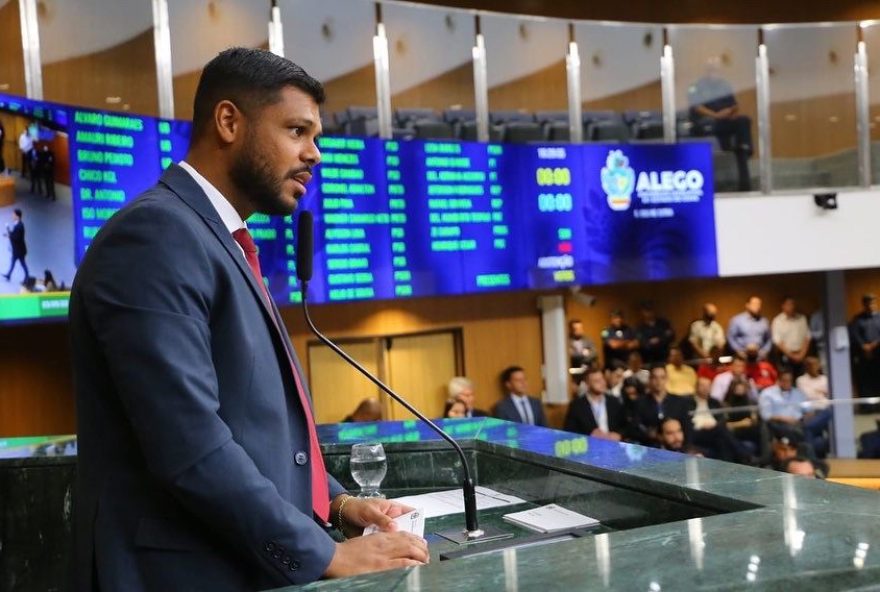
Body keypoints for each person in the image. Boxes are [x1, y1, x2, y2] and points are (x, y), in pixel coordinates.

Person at [69, 49, 428, 591]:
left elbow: (255, 427)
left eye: (317, 137)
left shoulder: (216, 238)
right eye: (297, 131)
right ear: (229, 121)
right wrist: (325, 556)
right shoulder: (155, 237)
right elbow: (189, 443)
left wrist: (337, 503)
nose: (315, 154)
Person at [688, 56, 753, 191]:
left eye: (716, 69)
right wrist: (715, 115)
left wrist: (729, 111)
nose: (714, 71)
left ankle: (745, 147)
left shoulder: (725, 85)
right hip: (705, 123)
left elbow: (735, 105)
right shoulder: (697, 85)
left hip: (723, 121)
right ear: (706, 70)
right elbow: (696, 106)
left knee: (744, 121)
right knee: (717, 128)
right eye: (711, 69)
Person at [632, 365, 691, 447]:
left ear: (666, 379)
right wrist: (651, 435)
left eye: (662, 377)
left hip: (677, 448)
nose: (658, 381)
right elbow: (634, 428)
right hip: (649, 447)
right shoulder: (640, 402)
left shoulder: (679, 402)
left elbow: (687, 428)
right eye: (655, 378)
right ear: (650, 380)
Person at [563, 367, 627, 441]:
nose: (602, 383)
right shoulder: (577, 405)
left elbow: (626, 426)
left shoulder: (614, 402)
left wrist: (619, 435)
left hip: (613, 446)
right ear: (587, 384)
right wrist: (589, 436)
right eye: (597, 381)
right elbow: (569, 432)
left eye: (602, 379)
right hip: (590, 447)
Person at [849, 294, 880, 411]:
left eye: (873, 303)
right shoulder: (857, 319)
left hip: (878, 354)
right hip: (863, 355)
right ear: (864, 304)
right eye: (868, 303)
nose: (871, 306)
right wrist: (863, 346)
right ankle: (867, 407)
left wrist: (874, 345)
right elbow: (854, 334)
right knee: (865, 381)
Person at [771, 296, 810, 376]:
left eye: (792, 304)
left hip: (801, 355)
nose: (791, 306)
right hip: (785, 356)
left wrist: (801, 354)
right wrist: (792, 356)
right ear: (783, 306)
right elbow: (777, 341)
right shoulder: (778, 321)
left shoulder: (802, 318)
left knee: (801, 380)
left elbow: (807, 337)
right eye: (788, 304)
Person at [3, 208, 28, 283]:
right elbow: (14, 235)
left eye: (14, 214)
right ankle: (8, 274)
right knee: (13, 262)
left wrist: (8, 235)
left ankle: (27, 276)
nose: (12, 216)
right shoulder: (17, 224)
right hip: (16, 250)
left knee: (23, 264)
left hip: (19, 250)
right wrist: (9, 232)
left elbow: (16, 238)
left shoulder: (19, 226)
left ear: (17, 216)